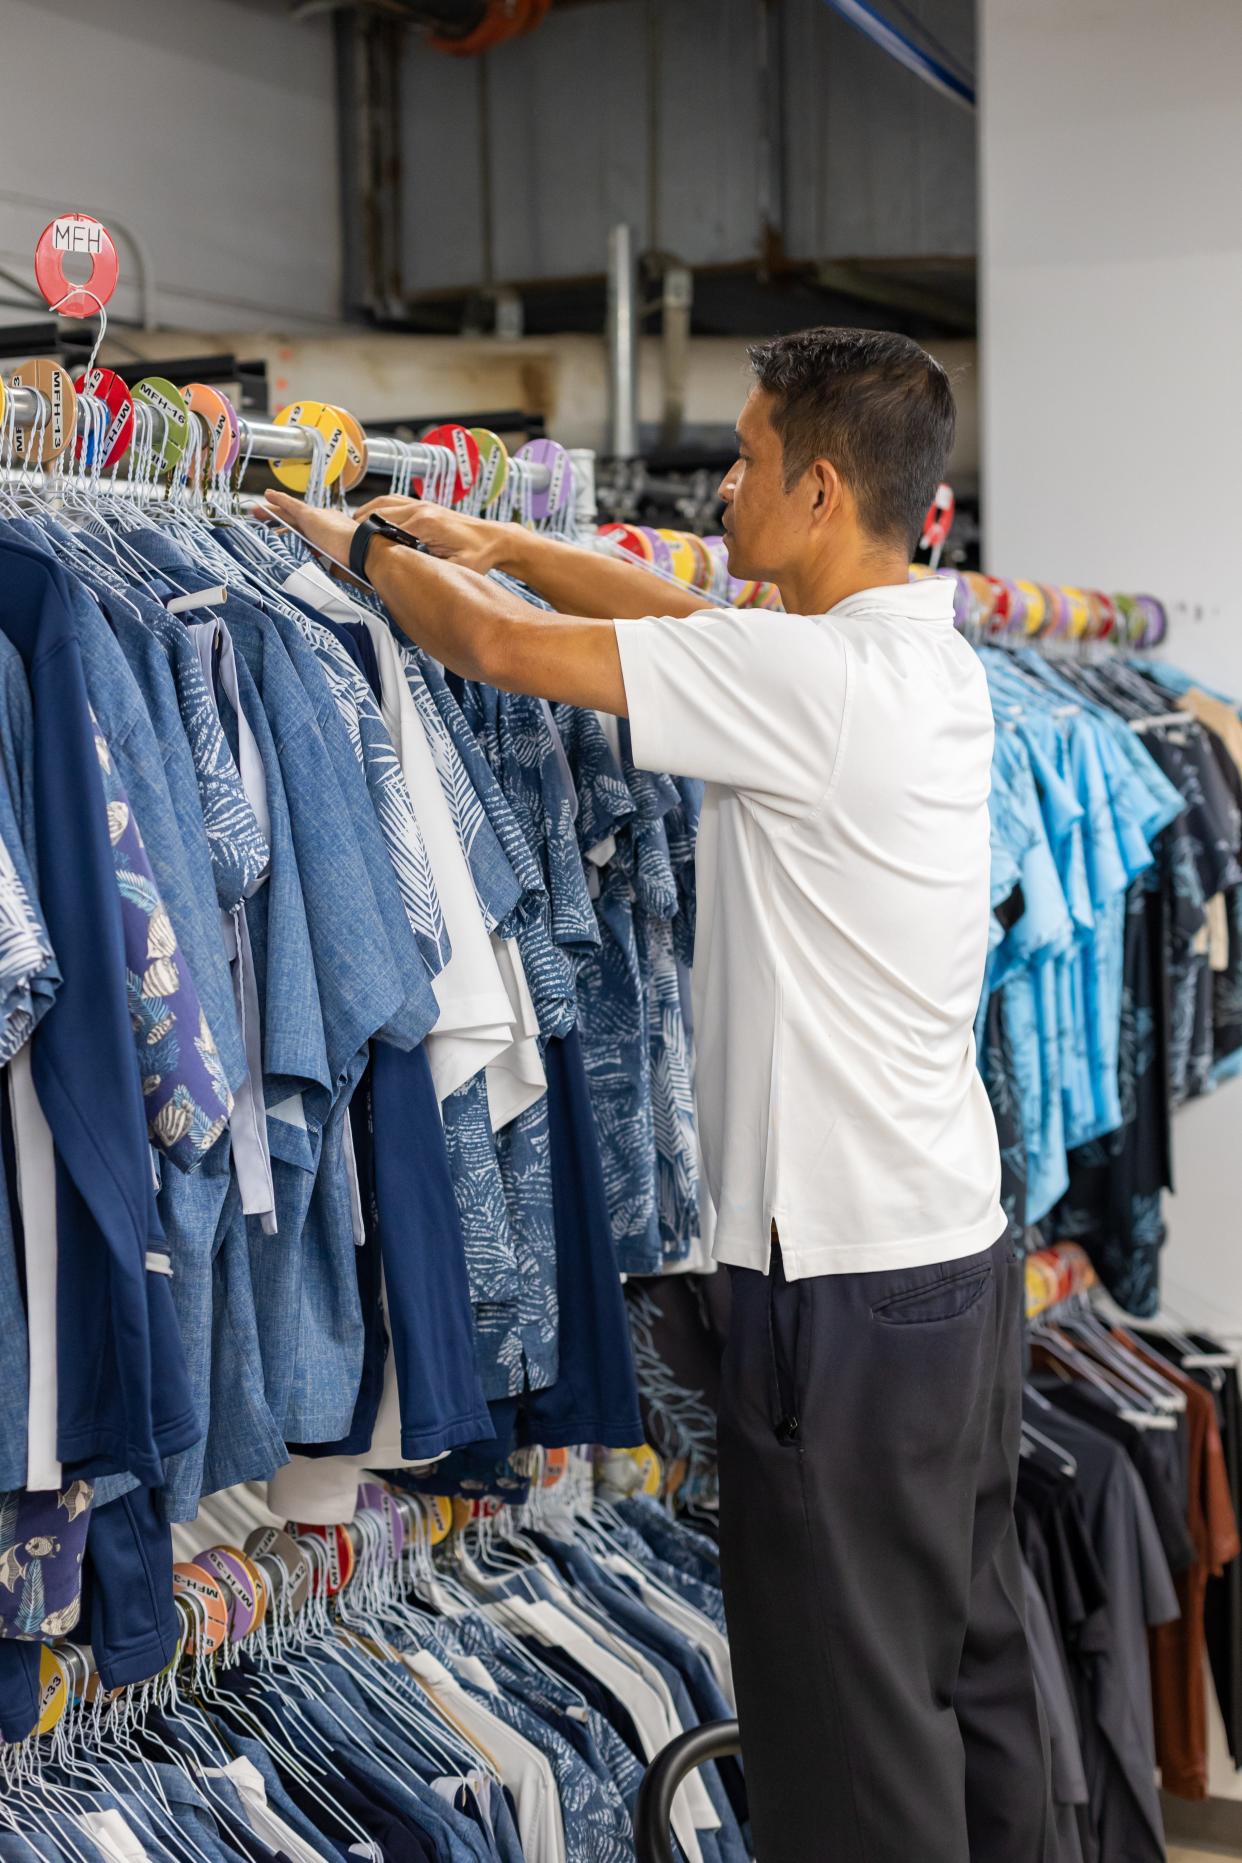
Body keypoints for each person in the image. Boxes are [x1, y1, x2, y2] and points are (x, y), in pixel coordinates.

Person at [267, 326, 1051, 1862]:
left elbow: (496, 655)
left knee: (850, 1742)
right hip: (951, 1268)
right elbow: (690, 623)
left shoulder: (813, 684)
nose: (725, 488)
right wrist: (504, 541)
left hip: (833, 1290)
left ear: (820, 488)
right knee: (970, 1681)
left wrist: (349, 542)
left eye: (746, 462)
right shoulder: (912, 657)